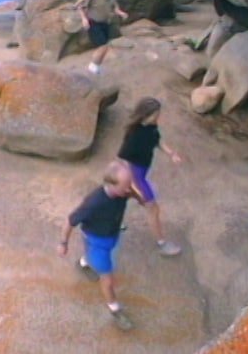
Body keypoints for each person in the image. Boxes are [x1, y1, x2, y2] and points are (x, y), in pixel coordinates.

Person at [57, 160, 143, 331]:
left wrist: (138, 197)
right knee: (108, 279)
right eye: (125, 186)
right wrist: (63, 243)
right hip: (97, 240)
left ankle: (83, 263)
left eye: (129, 184)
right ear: (111, 184)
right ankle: (115, 309)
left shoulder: (123, 191)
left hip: (112, 233)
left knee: (99, 254)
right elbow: (70, 221)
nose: (129, 189)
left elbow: (131, 191)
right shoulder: (94, 202)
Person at [118, 97, 182, 257]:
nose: (158, 117)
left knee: (121, 197)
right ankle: (163, 244)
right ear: (145, 115)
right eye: (155, 114)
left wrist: (171, 153)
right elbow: (124, 160)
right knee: (153, 208)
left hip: (141, 172)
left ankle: (113, 222)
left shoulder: (152, 127)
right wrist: (133, 185)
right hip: (136, 176)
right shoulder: (133, 135)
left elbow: (157, 140)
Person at [74, 0, 129, 74]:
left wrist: (121, 13)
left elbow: (114, 7)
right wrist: (84, 19)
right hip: (94, 23)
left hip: (105, 23)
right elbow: (79, 5)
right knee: (103, 46)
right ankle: (92, 67)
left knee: (104, 46)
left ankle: (97, 66)